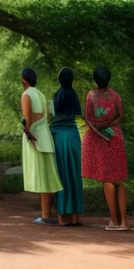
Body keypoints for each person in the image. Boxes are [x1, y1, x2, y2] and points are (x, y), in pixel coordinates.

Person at [82, 64, 129, 231]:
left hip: (101, 138)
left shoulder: (91, 95)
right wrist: (110, 124)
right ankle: (124, 222)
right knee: (120, 179)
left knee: (107, 179)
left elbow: (88, 117)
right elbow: (119, 116)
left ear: (95, 80)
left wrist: (99, 126)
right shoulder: (116, 96)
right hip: (116, 136)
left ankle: (114, 221)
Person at [20, 67, 62, 225]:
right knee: (48, 175)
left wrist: (28, 133)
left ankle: (45, 214)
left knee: (41, 175)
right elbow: (46, 116)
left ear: (24, 80)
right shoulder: (41, 95)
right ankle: (46, 213)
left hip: (35, 136)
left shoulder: (26, 95)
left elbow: (27, 119)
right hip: (45, 135)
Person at [49, 67, 84, 226]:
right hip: (73, 135)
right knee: (74, 173)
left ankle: (62, 217)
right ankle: (76, 217)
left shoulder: (55, 97)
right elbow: (79, 115)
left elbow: (49, 117)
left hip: (58, 135)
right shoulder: (74, 96)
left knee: (61, 174)